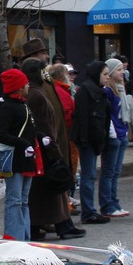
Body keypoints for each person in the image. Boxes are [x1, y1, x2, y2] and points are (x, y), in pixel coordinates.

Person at [22, 59, 84, 240]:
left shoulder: (36, 91)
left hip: (42, 149)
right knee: (52, 190)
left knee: (44, 193)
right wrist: (53, 151)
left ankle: (49, 225)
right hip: (44, 150)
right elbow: (44, 126)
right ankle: (61, 225)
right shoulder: (37, 95)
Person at [0, 69, 40, 241]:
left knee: (23, 200)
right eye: (25, 83)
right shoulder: (8, 107)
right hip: (14, 159)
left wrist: (41, 137)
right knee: (14, 200)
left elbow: (29, 129)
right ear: (18, 87)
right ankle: (13, 237)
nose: (28, 85)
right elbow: (1, 134)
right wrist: (24, 144)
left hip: (26, 158)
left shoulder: (23, 104)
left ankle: (25, 237)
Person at [71, 61, 110, 225]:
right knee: (88, 176)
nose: (107, 78)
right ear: (97, 74)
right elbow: (82, 118)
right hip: (87, 140)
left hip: (95, 138)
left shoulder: (100, 91)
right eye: (105, 74)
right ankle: (88, 212)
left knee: (90, 175)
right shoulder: (86, 91)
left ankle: (90, 211)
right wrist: (85, 140)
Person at [99, 58, 131, 218]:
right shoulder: (107, 91)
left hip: (122, 133)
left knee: (116, 171)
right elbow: (108, 115)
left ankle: (114, 202)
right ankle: (107, 204)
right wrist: (113, 133)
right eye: (118, 70)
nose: (122, 72)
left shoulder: (120, 89)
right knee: (109, 171)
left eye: (122, 69)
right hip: (113, 135)